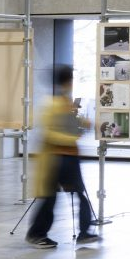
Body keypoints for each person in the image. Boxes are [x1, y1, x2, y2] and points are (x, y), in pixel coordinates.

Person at [27, 65, 98, 248]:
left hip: (69, 156)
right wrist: (72, 137)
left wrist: (83, 123)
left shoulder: (65, 102)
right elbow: (49, 133)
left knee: (76, 195)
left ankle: (84, 232)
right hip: (56, 158)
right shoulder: (52, 104)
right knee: (50, 197)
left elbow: (70, 124)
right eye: (71, 79)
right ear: (67, 81)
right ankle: (36, 234)